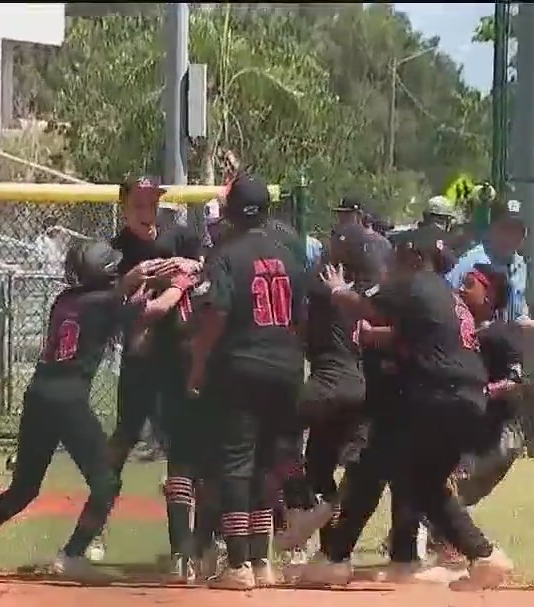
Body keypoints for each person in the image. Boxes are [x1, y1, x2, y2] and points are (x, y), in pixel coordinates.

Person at [299, 227, 513, 590]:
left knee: (372, 466)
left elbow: (365, 307)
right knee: (426, 486)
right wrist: (372, 336)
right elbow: (407, 334)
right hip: (467, 399)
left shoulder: (413, 283)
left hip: (435, 396)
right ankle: (485, 557)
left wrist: (338, 290)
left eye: (397, 251)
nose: (391, 258)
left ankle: (334, 559)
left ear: (414, 254)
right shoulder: (443, 293)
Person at [0, 240, 164, 581]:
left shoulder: (65, 300)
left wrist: (131, 283)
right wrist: (179, 285)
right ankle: (72, 554)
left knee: (24, 488)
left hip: (38, 393)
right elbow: (149, 311)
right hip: (68, 399)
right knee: (106, 482)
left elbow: (118, 298)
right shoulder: (105, 302)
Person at [188, 174, 307, 590]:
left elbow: (215, 315)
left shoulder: (225, 255)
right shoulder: (291, 256)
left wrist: (199, 365)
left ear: (233, 211)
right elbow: (300, 321)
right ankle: (262, 563)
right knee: (266, 465)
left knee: (235, 464)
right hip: (287, 368)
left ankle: (237, 564)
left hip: (241, 367)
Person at [107, 176, 203, 574]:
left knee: (180, 447)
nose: (148, 211)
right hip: (140, 356)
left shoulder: (180, 235)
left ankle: (182, 546)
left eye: (153, 202)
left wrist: (187, 265)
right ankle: (92, 528)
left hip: (178, 353)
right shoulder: (117, 249)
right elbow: (105, 300)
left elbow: (208, 268)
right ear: (125, 206)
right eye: (140, 203)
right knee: (125, 437)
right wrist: (133, 278)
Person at [276, 223, 371, 555]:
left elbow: (297, 331)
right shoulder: (365, 289)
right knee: (320, 463)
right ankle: (330, 554)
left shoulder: (317, 283)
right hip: (360, 387)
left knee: (273, 431)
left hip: (328, 382)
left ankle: (303, 507)